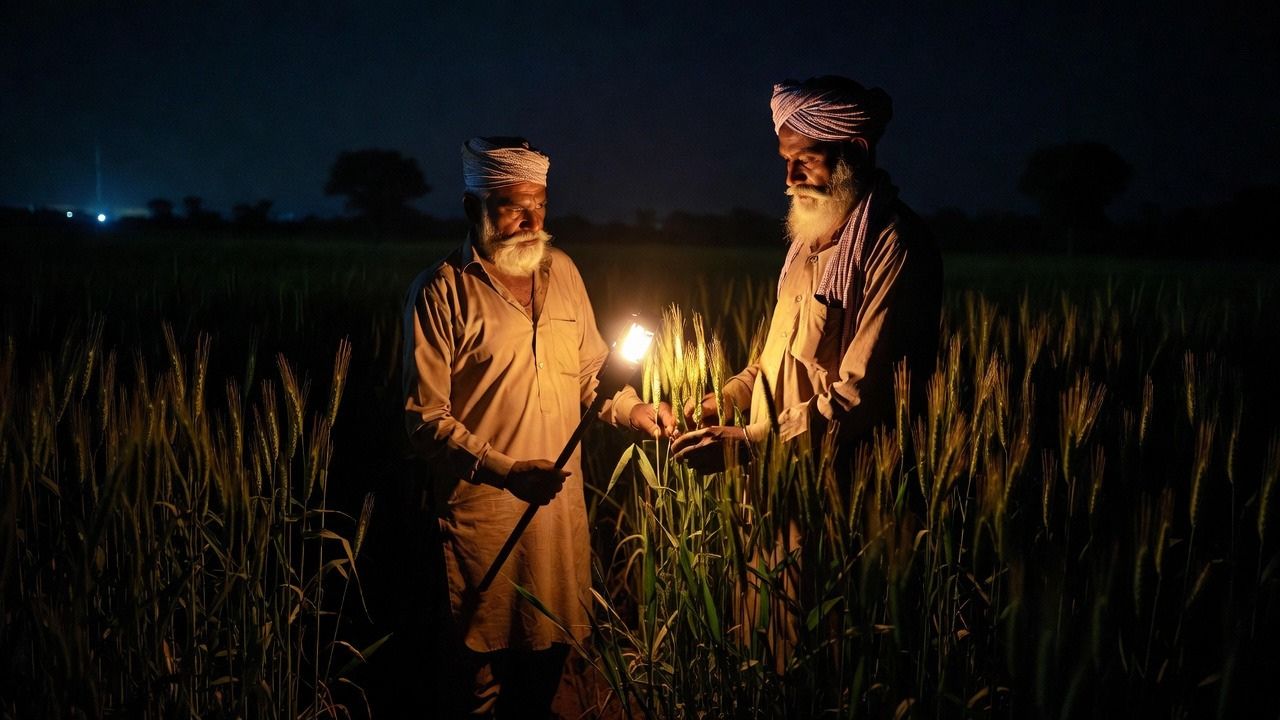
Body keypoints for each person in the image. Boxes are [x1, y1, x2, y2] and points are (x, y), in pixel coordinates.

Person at [402, 136, 674, 718]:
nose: (532, 221)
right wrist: (505, 473)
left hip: (558, 517)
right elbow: (426, 421)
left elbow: (588, 373)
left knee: (551, 662)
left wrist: (632, 411)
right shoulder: (440, 291)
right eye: (512, 207)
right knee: (481, 675)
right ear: (473, 208)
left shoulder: (566, 273)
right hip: (485, 520)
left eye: (541, 205)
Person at [672, 75, 943, 472]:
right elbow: (776, 363)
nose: (790, 178)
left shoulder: (893, 245)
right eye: (786, 160)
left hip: (837, 490)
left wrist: (751, 443)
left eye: (807, 160)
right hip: (774, 487)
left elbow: (861, 394)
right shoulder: (806, 240)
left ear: (857, 149)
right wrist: (728, 398)